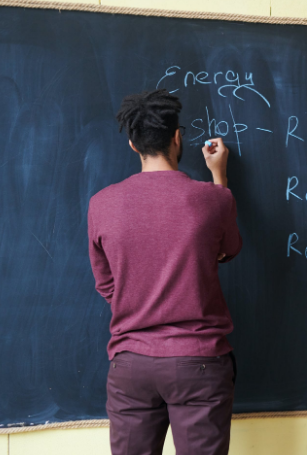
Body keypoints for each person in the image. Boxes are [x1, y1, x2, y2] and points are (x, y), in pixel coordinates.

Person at [88, 89, 242, 455]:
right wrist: (219, 176)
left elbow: (106, 284)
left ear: (132, 144)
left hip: (131, 364)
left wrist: (141, 296)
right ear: (177, 137)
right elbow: (229, 249)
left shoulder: (101, 204)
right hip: (199, 361)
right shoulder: (214, 199)